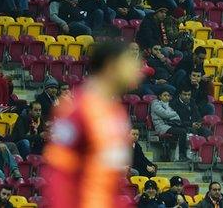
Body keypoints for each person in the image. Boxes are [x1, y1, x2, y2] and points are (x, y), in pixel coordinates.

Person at [42, 41, 143, 207]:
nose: (136, 70)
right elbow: (60, 171)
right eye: (130, 63)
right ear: (111, 66)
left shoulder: (116, 111)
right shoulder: (75, 109)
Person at [151, 89, 189, 162]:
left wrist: (174, 114)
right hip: (161, 126)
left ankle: (182, 154)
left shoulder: (170, 105)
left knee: (187, 129)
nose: (167, 97)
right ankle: (181, 155)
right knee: (182, 132)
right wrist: (176, 112)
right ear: (160, 96)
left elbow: (176, 117)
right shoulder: (155, 104)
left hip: (171, 124)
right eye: (164, 95)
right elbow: (164, 114)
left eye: (168, 96)